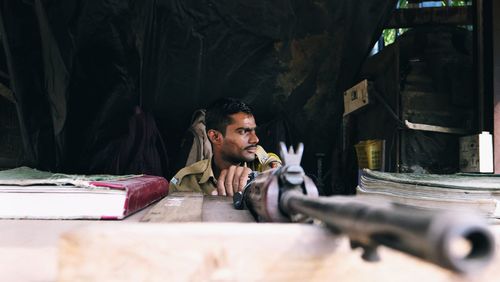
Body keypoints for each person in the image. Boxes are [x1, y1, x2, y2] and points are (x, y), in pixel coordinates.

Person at [169, 98, 281, 196]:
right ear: (215, 137)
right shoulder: (186, 182)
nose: (255, 139)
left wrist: (253, 182)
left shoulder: (262, 165)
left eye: (254, 131)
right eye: (243, 132)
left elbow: (277, 175)